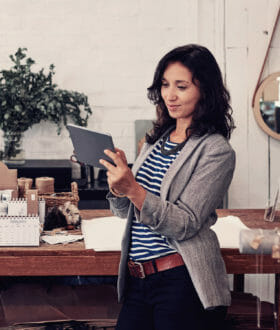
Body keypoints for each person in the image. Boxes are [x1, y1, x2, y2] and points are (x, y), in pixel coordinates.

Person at [100, 44, 236, 330]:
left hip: (181, 280)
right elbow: (126, 211)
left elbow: (184, 223)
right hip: (138, 279)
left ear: (205, 90)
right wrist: (119, 184)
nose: (170, 95)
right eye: (164, 85)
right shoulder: (156, 141)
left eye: (182, 86)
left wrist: (133, 188)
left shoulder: (216, 151)